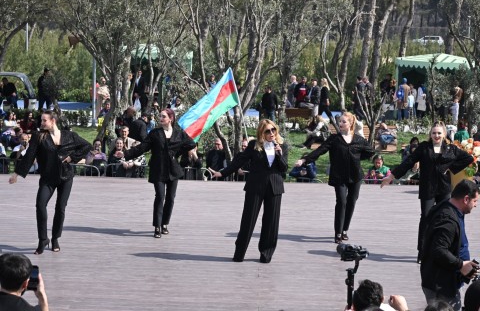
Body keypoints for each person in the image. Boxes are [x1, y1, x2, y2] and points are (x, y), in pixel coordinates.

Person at [381, 121, 473, 263]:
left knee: (445, 218)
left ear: (444, 134)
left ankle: (444, 250)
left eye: (439, 133)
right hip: (428, 188)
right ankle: (422, 251)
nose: (436, 135)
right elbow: (409, 161)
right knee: (426, 218)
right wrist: (392, 176)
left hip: (444, 188)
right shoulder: (424, 148)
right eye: (434, 133)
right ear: (430, 134)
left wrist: (451, 168)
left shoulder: (451, 149)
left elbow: (468, 158)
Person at [8, 110, 91, 254]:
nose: (41, 123)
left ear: (53, 121)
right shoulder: (39, 136)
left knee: (60, 208)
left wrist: (72, 157)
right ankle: (43, 239)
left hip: (66, 177)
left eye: (44, 120)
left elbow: (86, 146)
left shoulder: (69, 135)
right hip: (47, 178)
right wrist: (16, 173)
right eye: (41, 120)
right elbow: (29, 156)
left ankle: (55, 239)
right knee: (40, 205)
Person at [210, 119, 288, 263]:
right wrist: (223, 173)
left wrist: (279, 154)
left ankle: (266, 254)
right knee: (248, 220)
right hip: (255, 186)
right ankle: (239, 253)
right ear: (261, 133)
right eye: (268, 131)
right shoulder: (254, 145)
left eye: (273, 130)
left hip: (275, 187)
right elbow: (239, 161)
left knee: (271, 222)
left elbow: (284, 168)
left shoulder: (282, 145)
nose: (271, 133)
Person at [114, 108, 195, 238]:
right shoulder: (155, 133)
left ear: (170, 118)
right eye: (160, 116)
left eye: (163, 116)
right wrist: (125, 153)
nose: (160, 118)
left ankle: (164, 224)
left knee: (171, 198)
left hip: (173, 170)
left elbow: (190, 143)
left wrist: (176, 153)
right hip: (158, 169)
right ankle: (157, 226)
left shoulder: (179, 132)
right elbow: (142, 148)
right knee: (160, 196)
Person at [295, 112, 375, 243]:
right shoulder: (334, 139)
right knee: (342, 202)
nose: (341, 124)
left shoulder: (358, 140)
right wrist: (305, 160)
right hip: (339, 176)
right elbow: (320, 150)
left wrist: (356, 157)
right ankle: (338, 232)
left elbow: (371, 151)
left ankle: (345, 230)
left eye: (344, 121)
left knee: (352, 202)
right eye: (340, 121)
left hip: (355, 176)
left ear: (350, 123)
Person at [420, 180, 479, 311]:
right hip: (441, 286)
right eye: (475, 201)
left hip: (447, 279)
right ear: (466, 199)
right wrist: (460, 264)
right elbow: (438, 250)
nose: (475, 205)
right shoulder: (447, 219)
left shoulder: (450, 209)